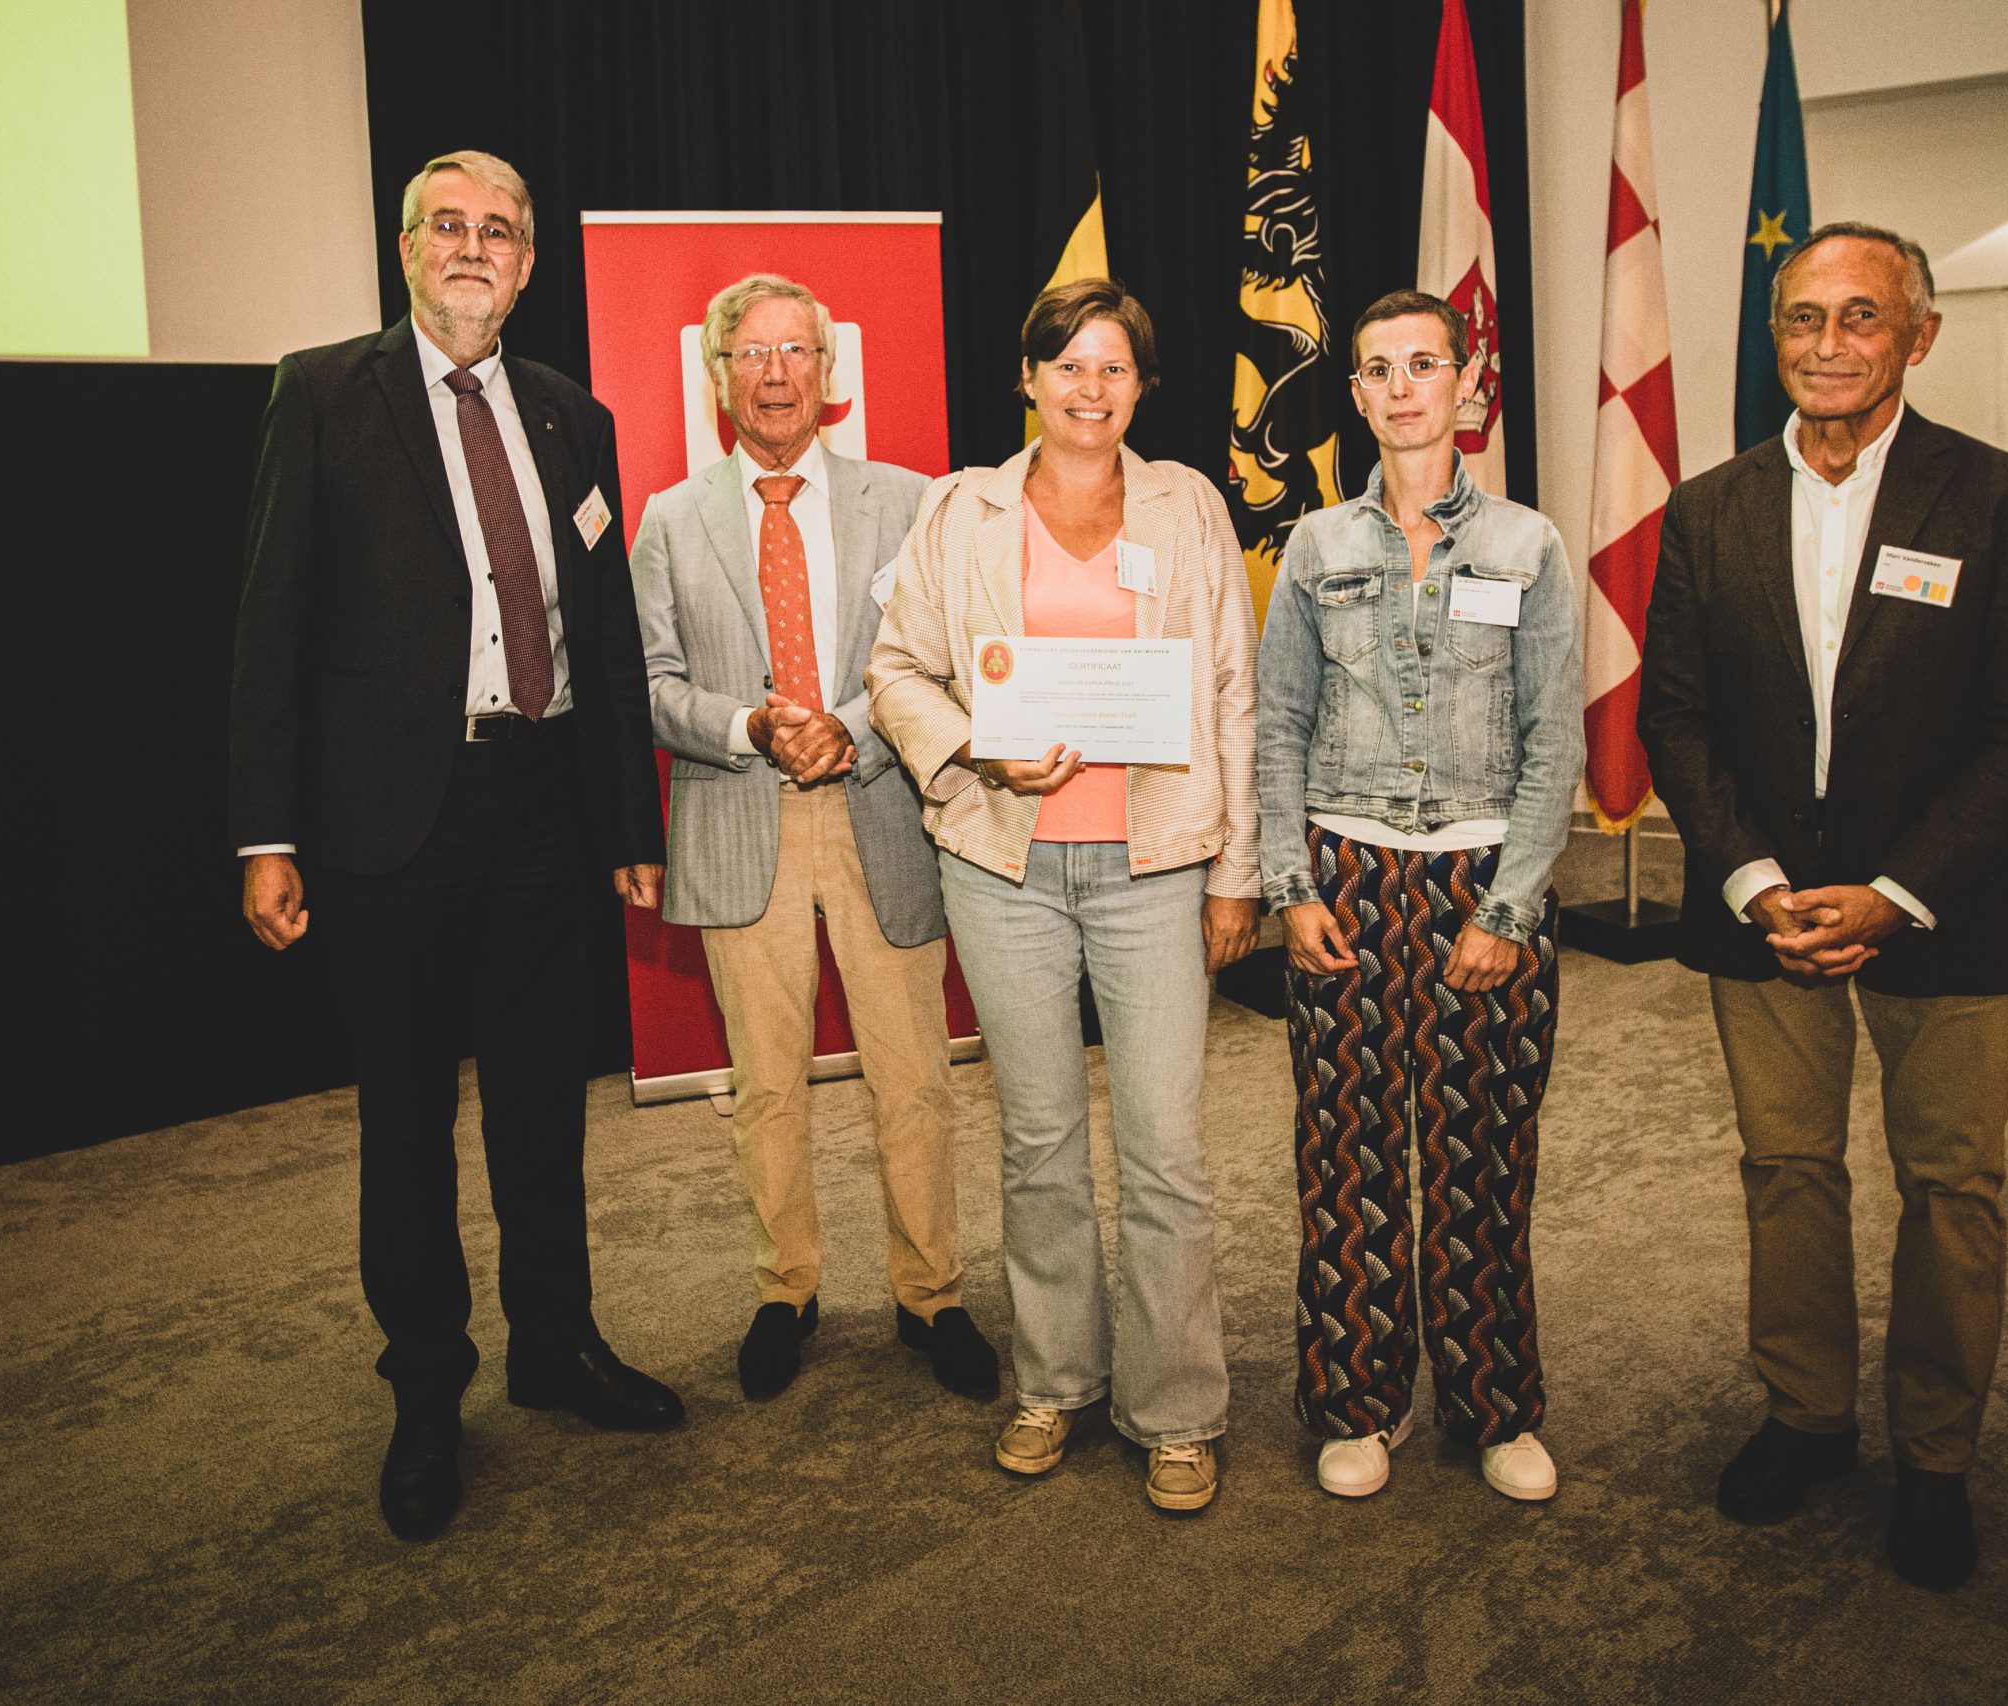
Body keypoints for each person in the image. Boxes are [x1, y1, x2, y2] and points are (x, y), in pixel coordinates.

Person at [228, 150, 683, 1544]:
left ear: (529, 264)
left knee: (545, 1103)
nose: (474, 246)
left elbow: (604, 634)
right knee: (409, 1119)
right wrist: (265, 831)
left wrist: (630, 821)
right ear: (408, 249)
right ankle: (427, 1387)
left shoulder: (573, 416)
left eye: (499, 229)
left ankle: (556, 1344)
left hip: (545, 809)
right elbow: (271, 626)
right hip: (392, 823)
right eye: (449, 225)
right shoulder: (323, 393)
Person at [1638, 222, 2008, 1590]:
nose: (1828, 343)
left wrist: (1895, 893)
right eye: (1802, 317)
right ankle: (1807, 1416)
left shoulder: (2003, 497)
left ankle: (1936, 1456)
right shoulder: (1706, 507)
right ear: (1773, 334)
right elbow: (1677, 717)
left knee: (1952, 1185)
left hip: (1946, 908)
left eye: (1861, 316)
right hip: (1764, 910)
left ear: (1917, 335)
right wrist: (1755, 880)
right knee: (1786, 1169)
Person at [866, 279, 1259, 1513]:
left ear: (1143, 385)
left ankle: (1176, 1407)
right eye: (1069, 364)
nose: (1091, 388)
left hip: (1156, 864)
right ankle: (1056, 1380)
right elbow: (896, 669)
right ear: (1027, 377)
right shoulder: (959, 508)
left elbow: (1232, 691)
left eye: (1114, 367)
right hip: (1005, 868)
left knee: (1164, 1148)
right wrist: (976, 744)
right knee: (1037, 1140)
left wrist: (1237, 868)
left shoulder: (1188, 503)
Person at [629, 273, 997, 1405]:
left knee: (914, 1077)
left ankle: (930, 1293)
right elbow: (652, 683)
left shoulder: (910, 501)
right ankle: (784, 1290)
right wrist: (751, 726)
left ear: (829, 375)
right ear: (719, 377)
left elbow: (939, 659)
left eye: (796, 352)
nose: (776, 373)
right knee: (767, 1084)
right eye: (752, 353)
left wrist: (848, 726)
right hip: (742, 819)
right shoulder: (669, 519)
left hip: (881, 810)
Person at [1254, 289, 1583, 1504]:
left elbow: (1553, 740)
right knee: (1344, 1159)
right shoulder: (1314, 547)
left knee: (1481, 1157)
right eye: (1379, 369)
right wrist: (1290, 887)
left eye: (1424, 364)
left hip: (1484, 877)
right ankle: (1357, 1401)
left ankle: (1495, 1403)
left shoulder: (1528, 545)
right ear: (1355, 393)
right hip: (1345, 877)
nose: (1402, 387)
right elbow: (1278, 724)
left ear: (1463, 382)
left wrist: (1507, 910)